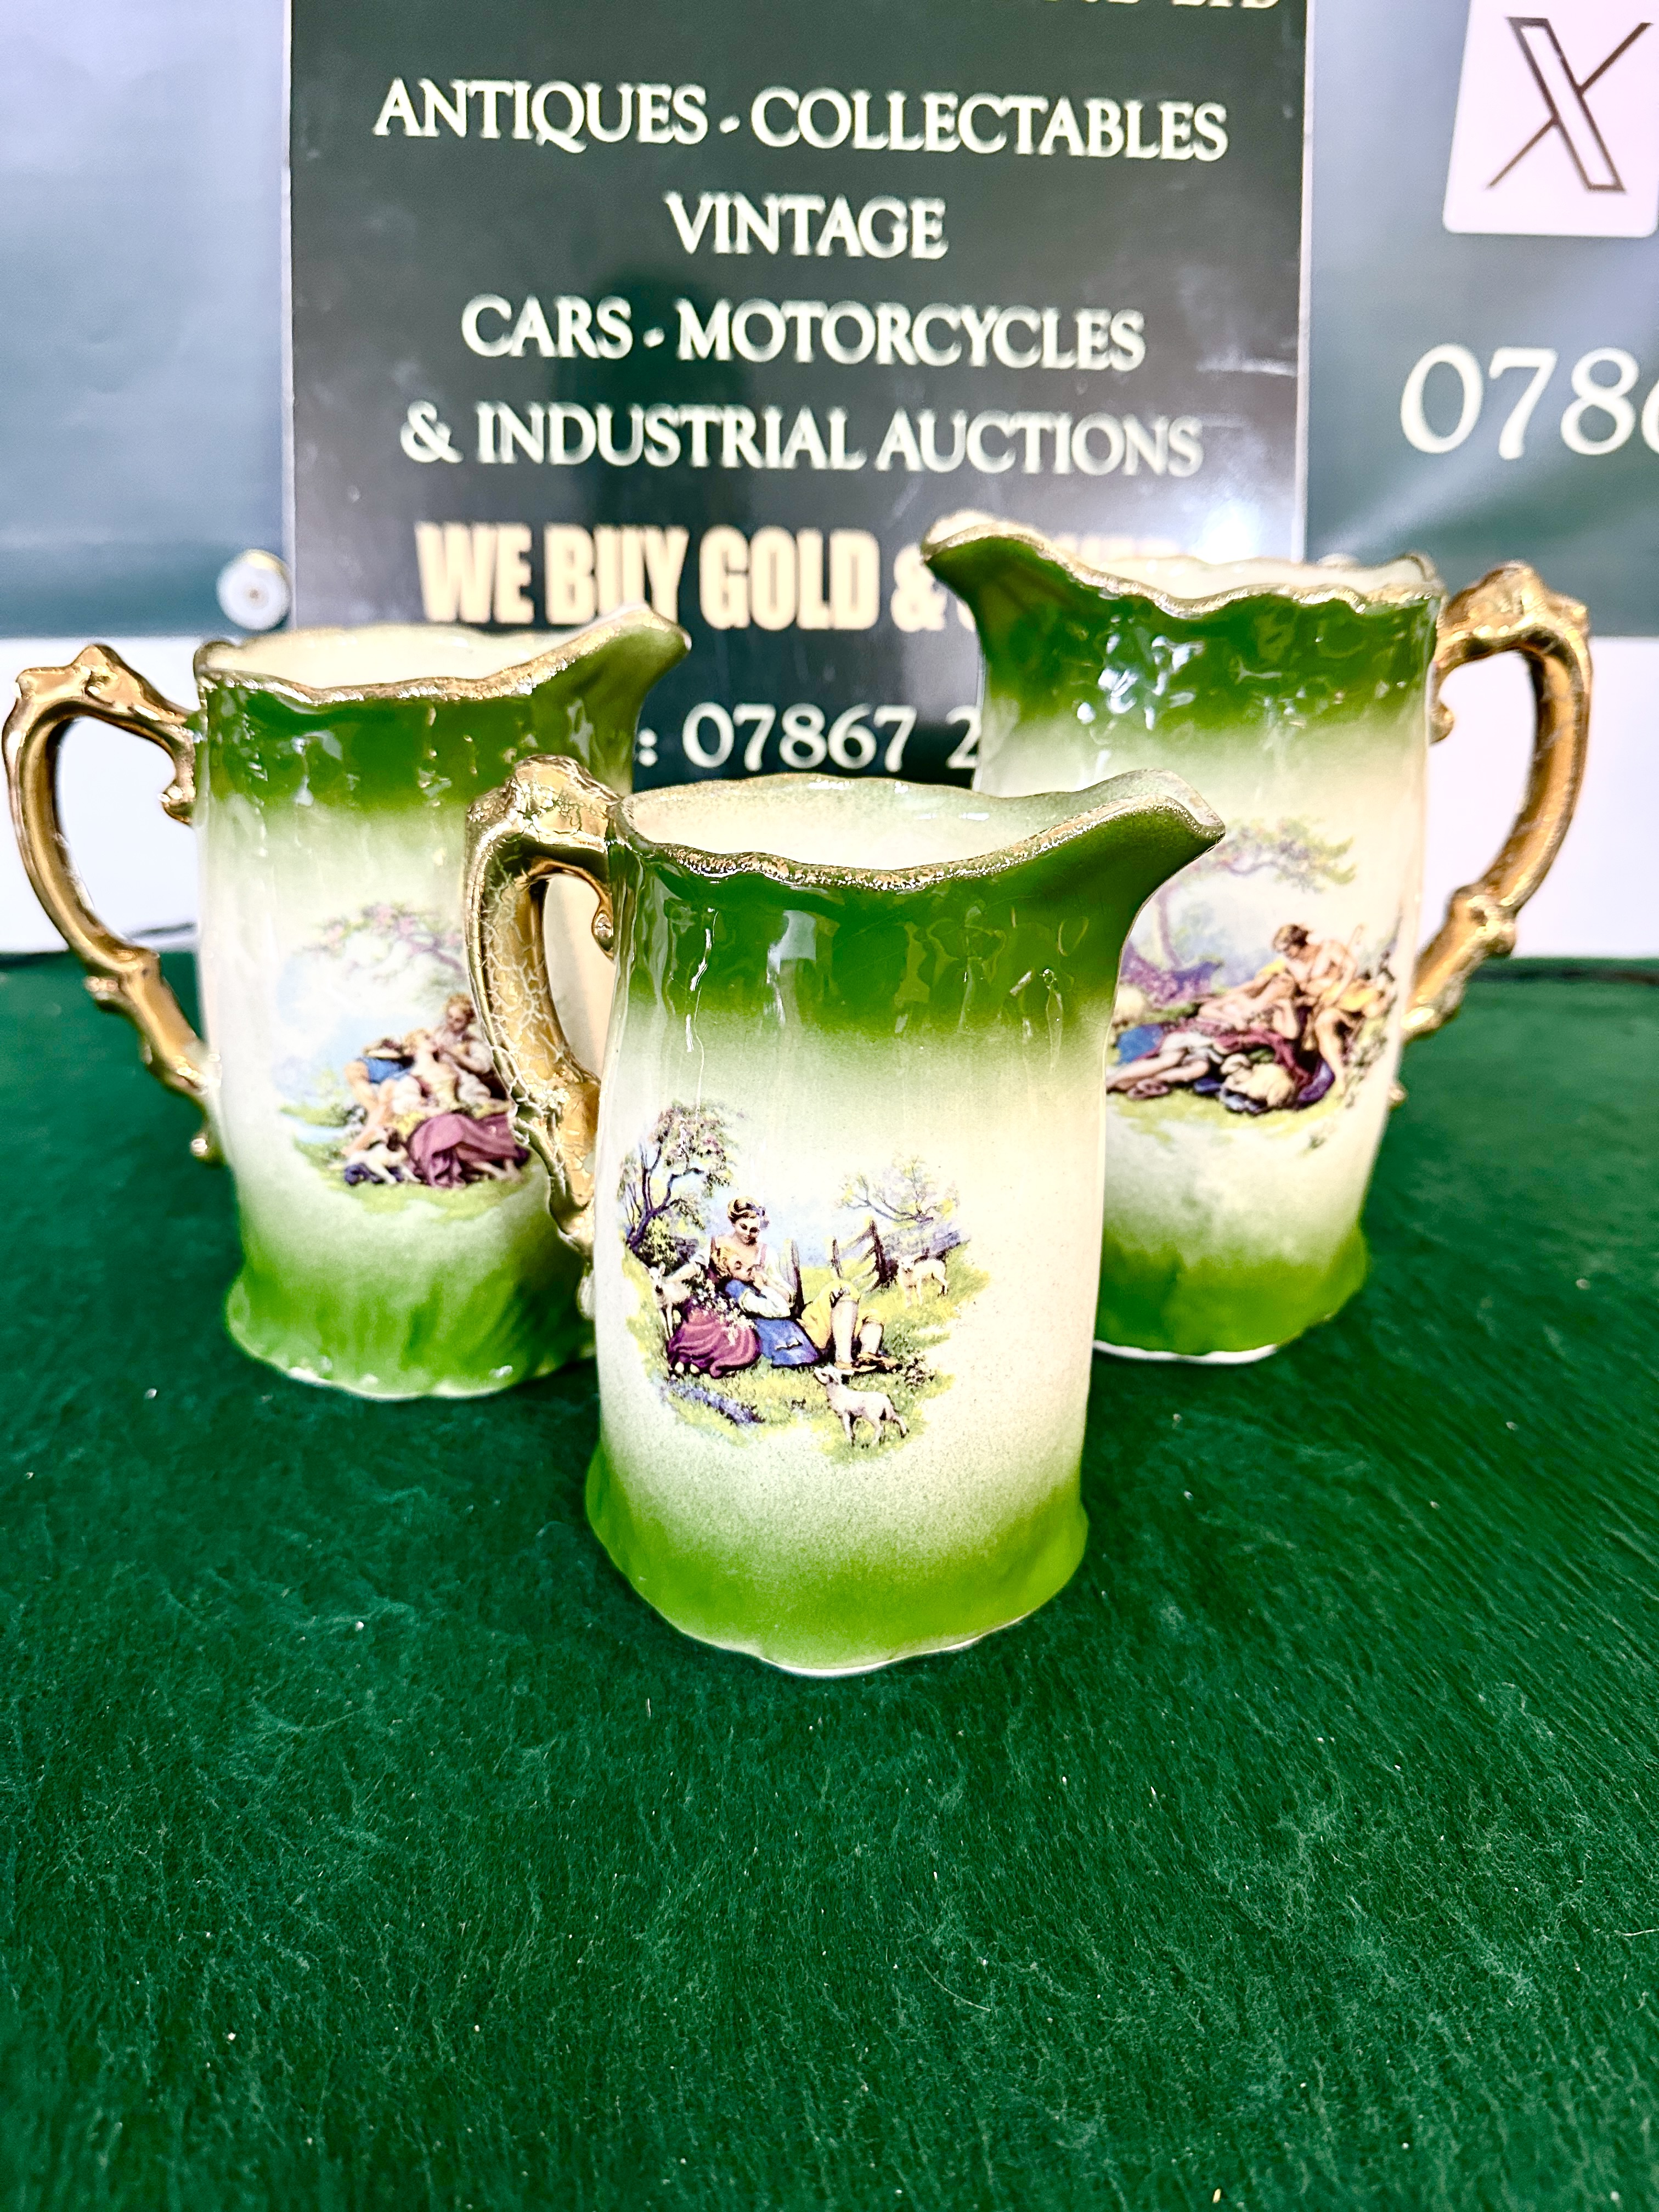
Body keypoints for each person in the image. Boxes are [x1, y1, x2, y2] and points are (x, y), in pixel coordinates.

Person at [713, 1198, 884, 1368]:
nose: (748, 1234)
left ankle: (867, 1356)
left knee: (871, 1315)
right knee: (841, 1289)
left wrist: (768, 1282)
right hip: (799, 1333)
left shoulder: (765, 1255)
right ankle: (845, 1361)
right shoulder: (736, 1287)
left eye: (754, 1230)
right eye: (743, 1227)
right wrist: (763, 1287)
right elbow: (780, 1310)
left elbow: (788, 1297)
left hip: (799, 1324)